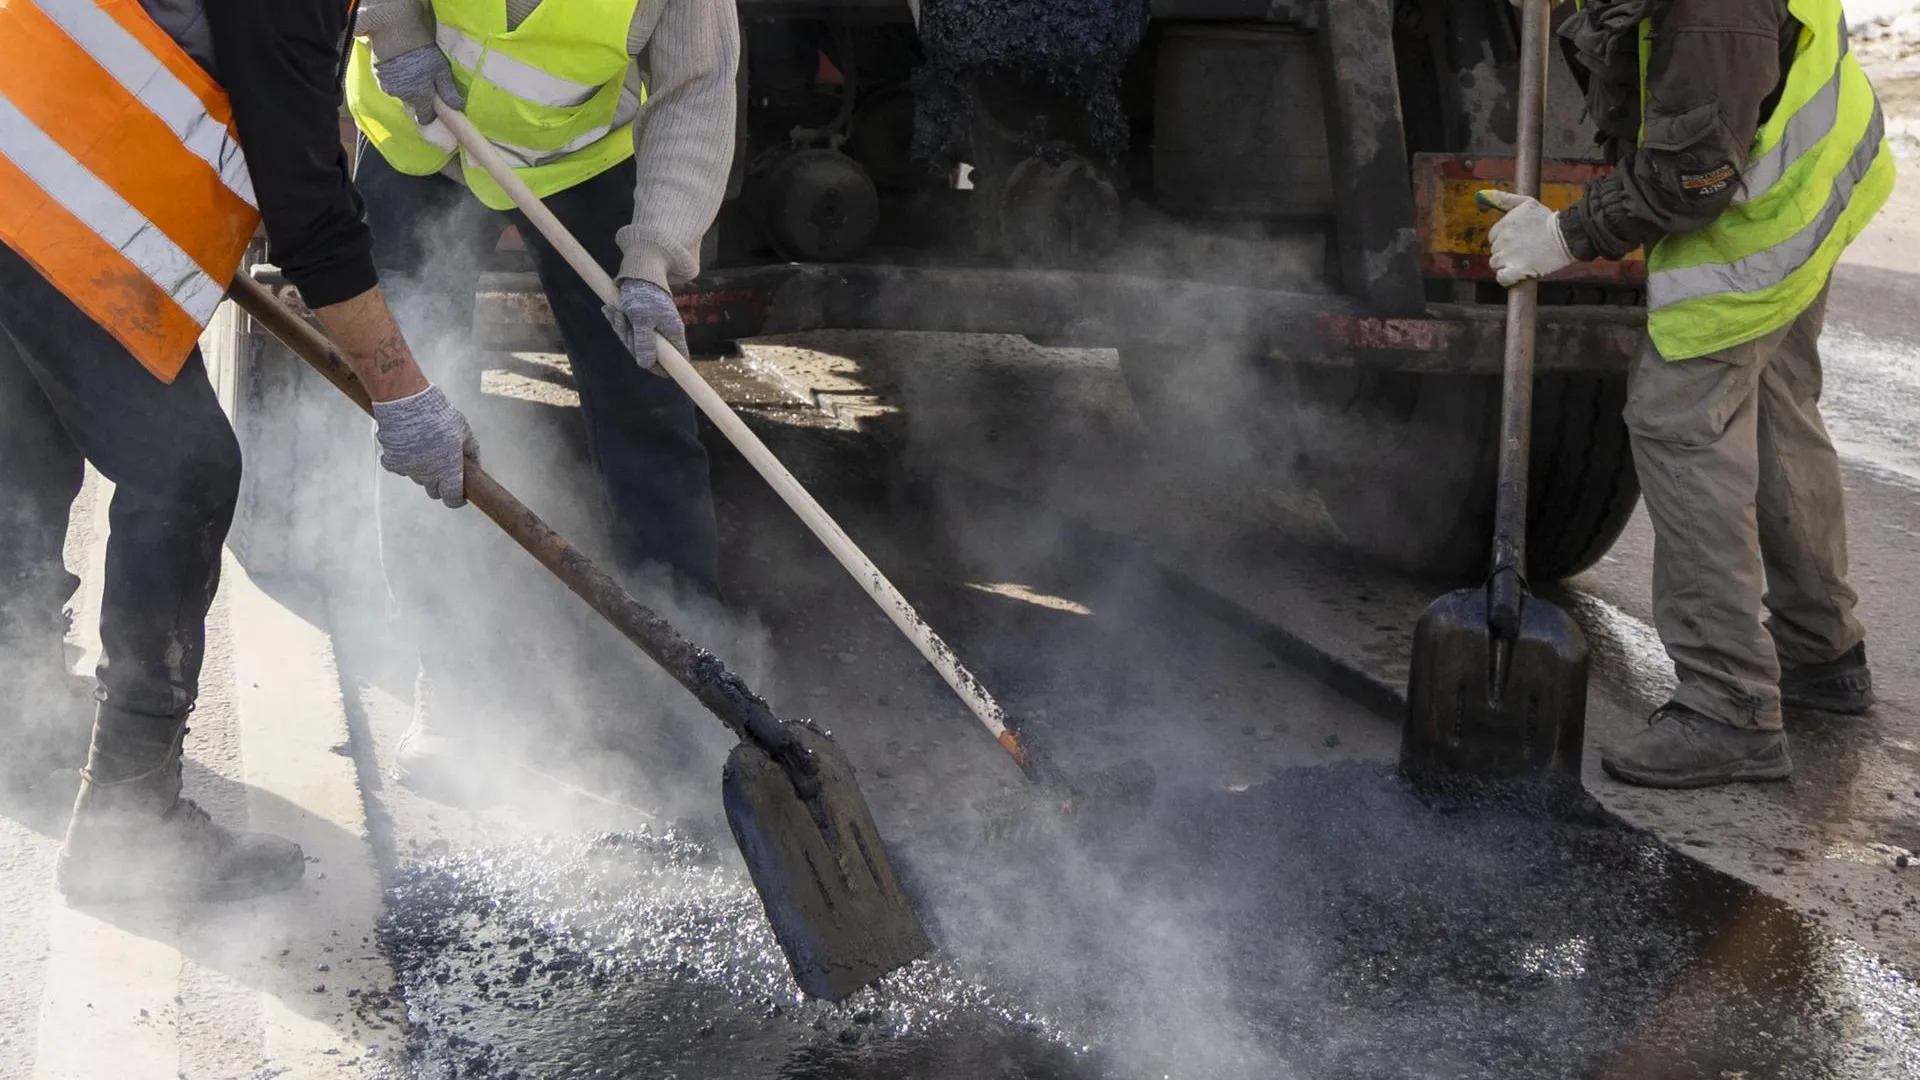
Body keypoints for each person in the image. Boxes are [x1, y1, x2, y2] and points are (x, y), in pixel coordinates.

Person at [0, 0, 479, 902]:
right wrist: (403, 393)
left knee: (24, 432)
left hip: (18, 152)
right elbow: (311, 219)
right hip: (51, 191)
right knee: (186, 471)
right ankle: (130, 828)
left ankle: (11, 719)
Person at [1484, 0, 1890, 788]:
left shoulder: (1712, 10)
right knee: (1774, 408)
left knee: (1678, 421)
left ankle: (1729, 708)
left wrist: (1567, 235)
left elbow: (1692, 174)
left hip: (1763, 200)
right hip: (1805, 171)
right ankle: (1822, 653)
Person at [345, 0, 740, 800]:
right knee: (423, 407)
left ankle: (688, 687)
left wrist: (653, 256)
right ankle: (449, 681)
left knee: (644, 399)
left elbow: (697, 88)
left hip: (575, 158)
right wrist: (392, 23)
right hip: (422, 128)